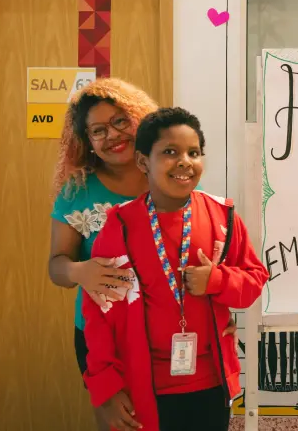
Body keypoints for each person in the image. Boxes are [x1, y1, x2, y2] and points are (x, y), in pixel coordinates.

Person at [47, 79, 236, 431]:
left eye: (121, 121)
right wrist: (79, 271)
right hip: (106, 340)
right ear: (87, 141)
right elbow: (56, 265)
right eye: (98, 130)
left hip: (183, 346)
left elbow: (221, 259)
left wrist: (217, 299)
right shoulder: (77, 191)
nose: (113, 135)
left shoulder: (173, 174)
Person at [82, 107, 268, 431]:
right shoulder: (121, 226)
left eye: (193, 152)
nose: (184, 161)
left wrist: (218, 280)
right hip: (142, 387)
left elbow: (253, 281)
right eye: (170, 152)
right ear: (143, 162)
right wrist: (106, 389)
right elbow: (98, 313)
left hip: (211, 386)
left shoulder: (222, 216)